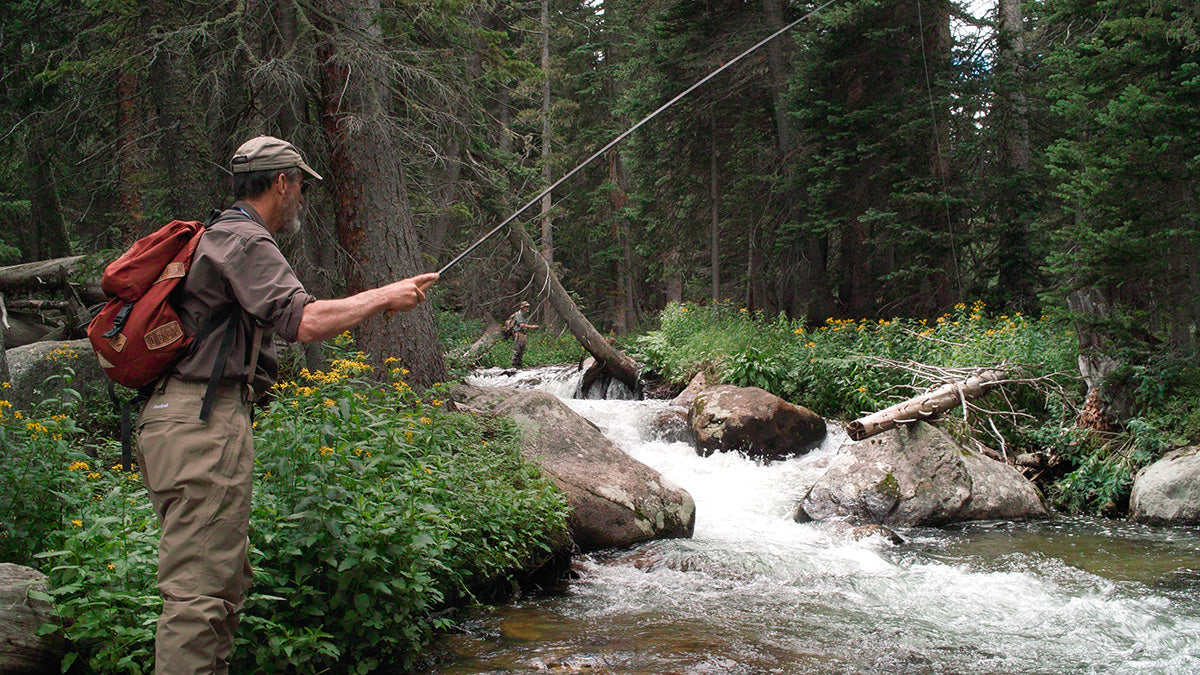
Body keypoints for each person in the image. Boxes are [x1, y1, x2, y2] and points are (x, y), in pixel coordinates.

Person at [134, 135, 438, 675]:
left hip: (179, 422)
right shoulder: (246, 241)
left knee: (218, 581)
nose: (302, 198)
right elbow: (305, 321)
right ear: (282, 183)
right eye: (301, 186)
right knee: (201, 595)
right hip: (202, 425)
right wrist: (385, 295)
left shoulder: (218, 233)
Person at [505, 300, 539, 369]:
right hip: (518, 334)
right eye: (526, 307)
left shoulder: (523, 315)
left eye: (528, 307)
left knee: (521, 351)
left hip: (522, 334)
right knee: (517, 351)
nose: (527, 308)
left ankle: (519, 366)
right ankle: (514, 367)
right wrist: (532, 327)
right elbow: (521, 325)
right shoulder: (519, 315)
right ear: (522, 307)